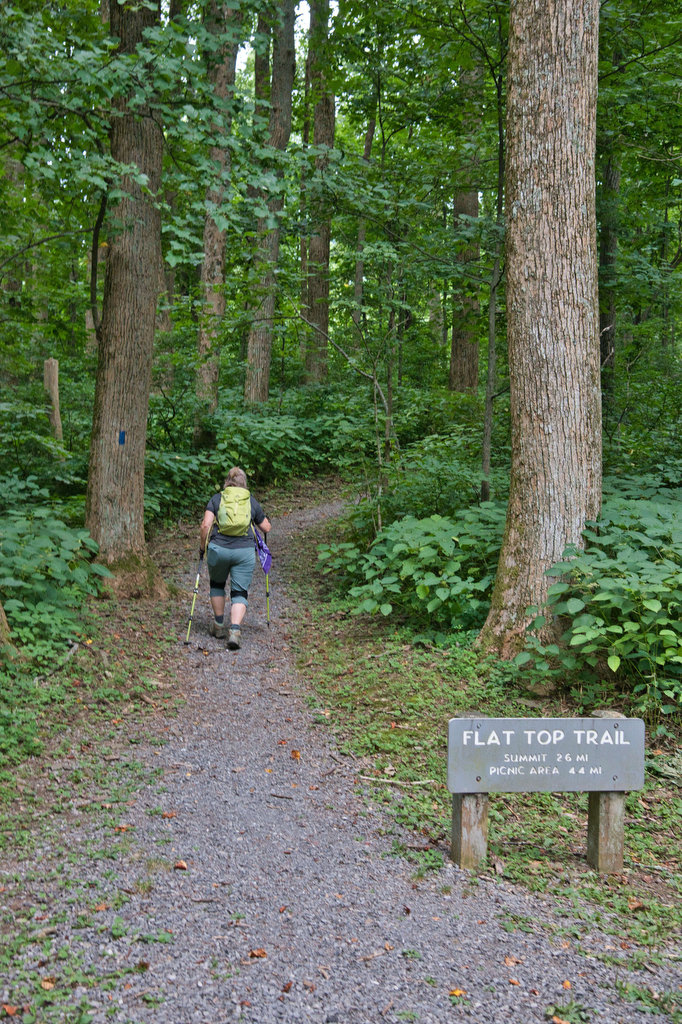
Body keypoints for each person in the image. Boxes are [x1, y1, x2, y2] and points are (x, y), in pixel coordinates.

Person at [199, 467, 271, 650]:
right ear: (244, 483)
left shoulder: (217, 498)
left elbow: (206, 525)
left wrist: (202, 547)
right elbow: (266, 528)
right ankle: (235, 631)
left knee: (217, 584)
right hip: (244, 552)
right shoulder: (250, 501)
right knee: (240, 592)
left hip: (218, 550)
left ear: (227, 482)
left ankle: (218, 625)